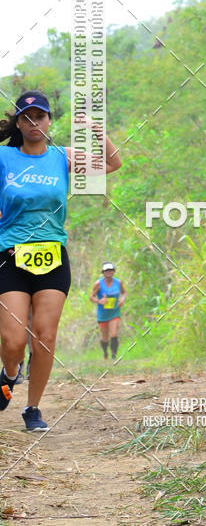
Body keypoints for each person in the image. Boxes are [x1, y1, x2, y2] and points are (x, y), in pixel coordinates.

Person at [0, 90, 122, 431]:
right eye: (26, 117)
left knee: (45, 337)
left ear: (49, 121)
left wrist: (97, 129)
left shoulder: (61, 157)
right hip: (10, 256)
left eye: (39, 116)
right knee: (13, 342)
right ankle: (10, 373)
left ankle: (33, 409)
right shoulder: (4, 159)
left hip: (52, 256)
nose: (33, 122)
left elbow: (112, 163)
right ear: (19, 123)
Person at [90, 262, 126, 360]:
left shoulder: (118, 282)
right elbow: (91, 297)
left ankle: (114, 356)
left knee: (113, 334)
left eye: (110, 270)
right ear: (103, 272)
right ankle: (105, 353)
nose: (109, 272)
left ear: (113, 271)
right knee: (105, 338)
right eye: (106, 270)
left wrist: (122, 300)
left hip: (114, 312)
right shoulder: (98, 284)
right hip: (103, 314)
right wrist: (99, 301)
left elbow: (124, 292)